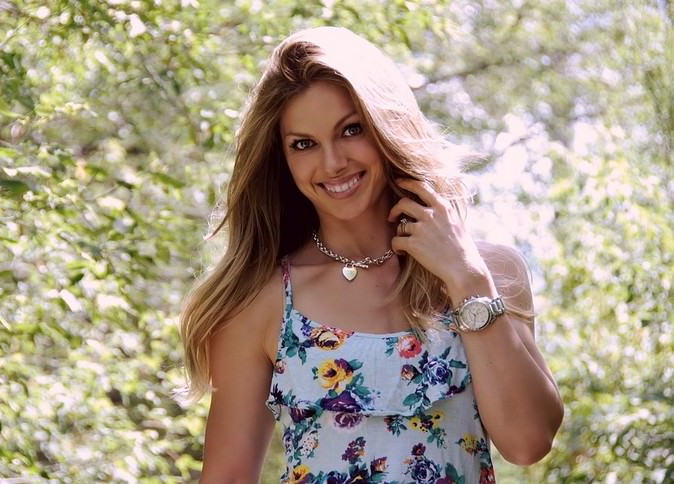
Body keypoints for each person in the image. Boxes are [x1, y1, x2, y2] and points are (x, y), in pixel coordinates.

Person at [180, 26, 563, 483]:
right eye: (304, 144)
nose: (333, 162)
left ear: (387, 127)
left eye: (351, 130)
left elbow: (528, 441)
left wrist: (465, 278)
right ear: (282, 159)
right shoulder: (262, 302)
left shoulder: (492, 273)